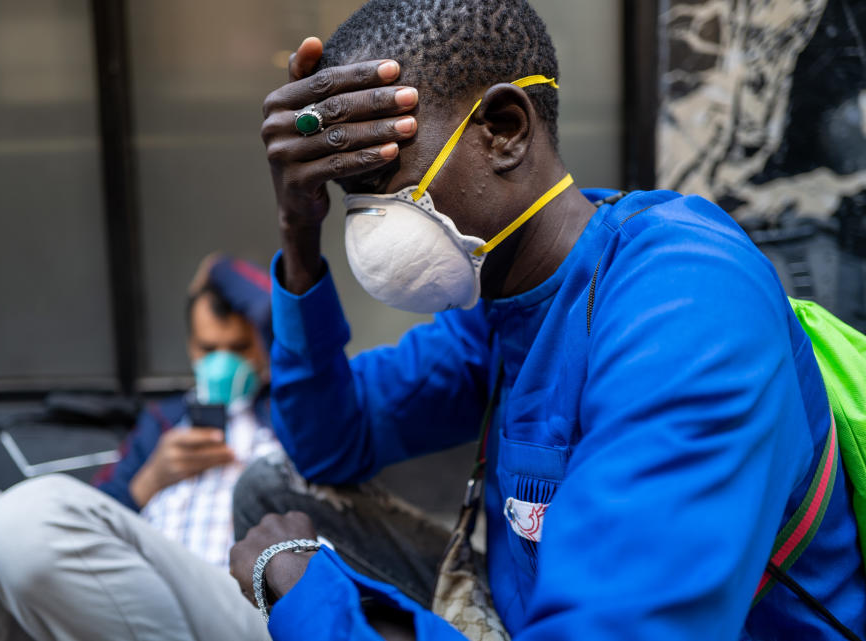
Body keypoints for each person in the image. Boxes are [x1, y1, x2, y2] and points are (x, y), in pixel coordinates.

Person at [227, 2, 866, 640]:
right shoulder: (504, 301)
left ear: (505, 129)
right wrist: (299, 231)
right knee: (272, 490)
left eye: (384, 178)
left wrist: (312, 601)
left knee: (286, 565)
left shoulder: (688, 303)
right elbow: (329, 442)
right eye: (352, 196)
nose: (371, 223)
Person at [0, 255, 275, 641]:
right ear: (189, 345)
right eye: (208, 349)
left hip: (239, 602)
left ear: (264, 346)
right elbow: (88, 518)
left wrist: (218, 268)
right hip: (137, 595)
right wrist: (151, 479)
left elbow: (269, 310)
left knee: (30, 513)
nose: (223, 362)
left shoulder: (291, 412)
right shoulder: (162, 421)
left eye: (238, 348)